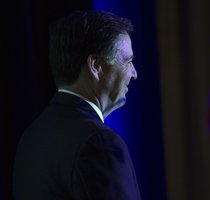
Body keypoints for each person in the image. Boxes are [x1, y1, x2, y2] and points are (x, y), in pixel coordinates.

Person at [13, 10, 140, 200]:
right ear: (96, 67)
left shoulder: (31, 137)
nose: (134, 73)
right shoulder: (98, 143)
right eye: (128, 61)